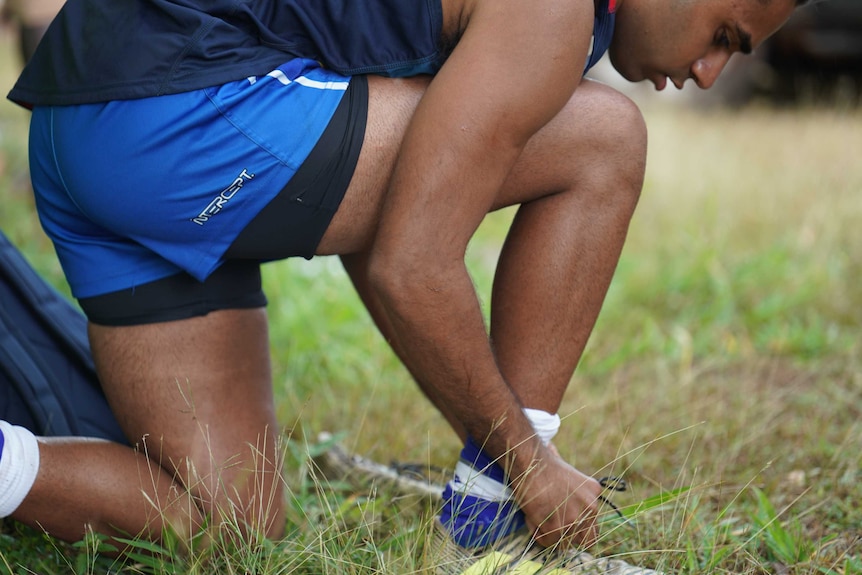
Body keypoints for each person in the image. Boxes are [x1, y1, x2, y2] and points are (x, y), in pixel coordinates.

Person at [1, 0, 804, 564]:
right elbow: (407, 264)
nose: (708, 71)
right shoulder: (554, 10)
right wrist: (528, 465)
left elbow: (379, 224)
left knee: (231, 522)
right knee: (605, 139)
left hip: (79, 125)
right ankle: (486, 525)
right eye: (725, 34)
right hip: (179, 113)